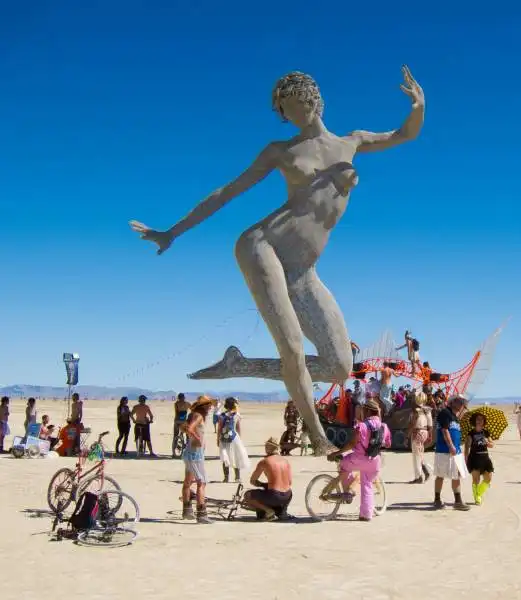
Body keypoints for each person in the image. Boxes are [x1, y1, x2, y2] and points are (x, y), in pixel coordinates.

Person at [132, 66, 425, 458]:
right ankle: (320, 441)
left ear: (313, 100)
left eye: (296, 105)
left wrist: (419, 105)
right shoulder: (281, 151)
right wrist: (173, 231)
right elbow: (226, 192)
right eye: (285, 110)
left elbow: (405, 134)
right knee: (292, 349)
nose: (291, 115)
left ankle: (238, 365)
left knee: (339, 366)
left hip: (304, 270)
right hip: (262, 247)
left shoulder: (351, 142)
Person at [328, 398, 391, 521]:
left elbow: (352, 444)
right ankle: (366, 515)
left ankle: (348, 491)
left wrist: (337, 452)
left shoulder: (361, 426)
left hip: (358, 459)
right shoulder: (384, 426)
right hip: (374, 462)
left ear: (366, 411)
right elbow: (388, 444)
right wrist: (376, 445)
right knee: (367, 485)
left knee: (343, 464)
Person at [181, 395, 216, 523]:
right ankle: (202, 514)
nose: (210, 407)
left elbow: (184, 427)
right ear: (203, 406)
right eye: (208, 405)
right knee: (201, 483)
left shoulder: (192, 415)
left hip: (189, 452)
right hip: (195, 454)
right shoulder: (198, 416)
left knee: (187, 482)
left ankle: (187, 510)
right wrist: (197, 438)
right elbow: (189, 428)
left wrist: (193, 437)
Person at [433, 395, 471, 511]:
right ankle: (437, 499)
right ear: (452, 402)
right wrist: (450, 445)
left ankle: (458, 501)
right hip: (444, 450)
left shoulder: (455, 417)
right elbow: (444, 430)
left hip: (456, 451)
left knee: (457, 475)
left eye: (463, 402)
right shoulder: (445, 413)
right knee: (440, 475)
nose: (461, 404)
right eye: (459, 401)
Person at [242, 437, 294, 521]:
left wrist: (261, 484)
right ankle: (282, 511)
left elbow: (252, 480)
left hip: (274, 496)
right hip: (288, 496)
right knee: (277, 493)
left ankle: (268, 511)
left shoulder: (265, 461)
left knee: (247, 495)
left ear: (268, 448)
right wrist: (267, 485)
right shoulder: (285, 461)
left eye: (266, 446)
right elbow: (290, 482)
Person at [217, 397, 251, 482]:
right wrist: (240, 439)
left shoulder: (222, 416)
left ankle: (226, 477)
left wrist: (218, 439)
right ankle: (237, 477)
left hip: (223, 439)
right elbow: (238, 428)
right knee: (236, 457)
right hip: (234, 438)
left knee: (225, 457)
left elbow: (219, 428)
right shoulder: (236, 415)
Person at [465, 412, 494, 505]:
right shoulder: (471, 433)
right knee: (476, 479)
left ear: (483, 421)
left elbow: (492, 445)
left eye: (481, 419)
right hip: (474, 458)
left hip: (485, 458)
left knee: (488, 478)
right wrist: (465, 460)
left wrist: (488, 443)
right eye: (478, 419)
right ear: (474, 420)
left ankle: (479, 493)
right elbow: (466, 448)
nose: (479, 421)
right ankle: (477, 498)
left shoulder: (486, 432)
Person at [406, 390, 432, 483]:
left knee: (416, 456)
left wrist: (407, 436)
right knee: (420, 453)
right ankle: (425, 471)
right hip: (425, 432)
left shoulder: (415, 411)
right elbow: (430, 425)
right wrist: (430, 436)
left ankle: (419, 477)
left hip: (417, 433)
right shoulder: (427, 410)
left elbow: (412, 424)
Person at [172, 393, 191, 458]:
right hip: (184, 422)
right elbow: (193, 410)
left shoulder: (176, 404)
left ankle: (173, 453)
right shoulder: (187, 404)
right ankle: (188, 450)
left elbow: (176, 413)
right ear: (184, 397)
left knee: (175, 436)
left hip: (177, 421)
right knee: (188, 435)